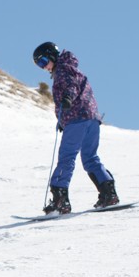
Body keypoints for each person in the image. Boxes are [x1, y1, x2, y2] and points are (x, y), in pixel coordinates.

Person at [33, 41, 118, 213]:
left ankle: (60, 199)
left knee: (67, 157)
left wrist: (68, 99)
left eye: (43, 62)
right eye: (39, 65)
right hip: (91, 119)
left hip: (77, 119)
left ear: (51, 56)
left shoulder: (63, 70)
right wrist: (62, 120)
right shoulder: (69, 67)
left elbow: (72, 85)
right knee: (90, 157)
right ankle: (108, 192)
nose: (43, 67)